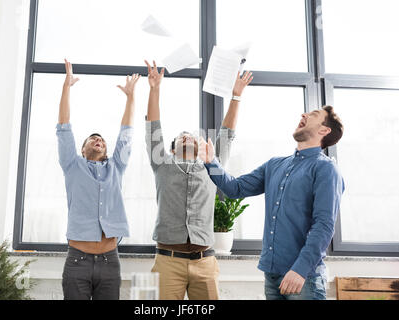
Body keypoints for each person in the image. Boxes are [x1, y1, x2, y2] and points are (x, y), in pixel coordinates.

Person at [198, 105, 345, 300]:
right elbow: (235, 189)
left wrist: (300, 270)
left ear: (324, 130)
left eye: (313, 115)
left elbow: (324, 226)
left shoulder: (326, 169)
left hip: (304, 278)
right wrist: (211, 162)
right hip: (272, 275)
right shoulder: (275, 164)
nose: (304, 114)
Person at [144, 59, 253, 300]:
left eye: (192, 136)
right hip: (168, 262)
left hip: (205, 262)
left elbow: (227, 134)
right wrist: (154, 89)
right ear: (171, 149)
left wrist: (236, 96)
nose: (187, 137)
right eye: (181, 136)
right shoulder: (162, 164)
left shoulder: (211, 164)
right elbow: (153, 128)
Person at [56, 59, 140, 300]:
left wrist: (130, 97)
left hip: (110, 261)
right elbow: (63, 127)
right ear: (82, 149)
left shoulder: (117, 166)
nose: (98, 140)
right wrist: (66, 87)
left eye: (102, 139)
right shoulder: (72, 165)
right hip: (77, 261)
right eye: (92, 139)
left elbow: (126, 133)